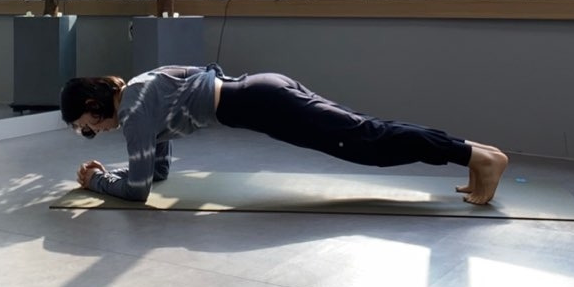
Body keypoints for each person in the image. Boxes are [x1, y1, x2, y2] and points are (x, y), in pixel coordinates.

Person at [60, 64, 508, 206]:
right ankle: (477, 155)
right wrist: (122, 169)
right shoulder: (141, 88)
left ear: (95, 106)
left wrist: (97, 181)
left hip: (262, 105)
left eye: (87, 127)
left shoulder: (134, 112)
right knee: (366, 132)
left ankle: (477, 157)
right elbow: (157, 170)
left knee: (367, 144)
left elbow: (138, 190)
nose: (93, 132)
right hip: (262, 90)